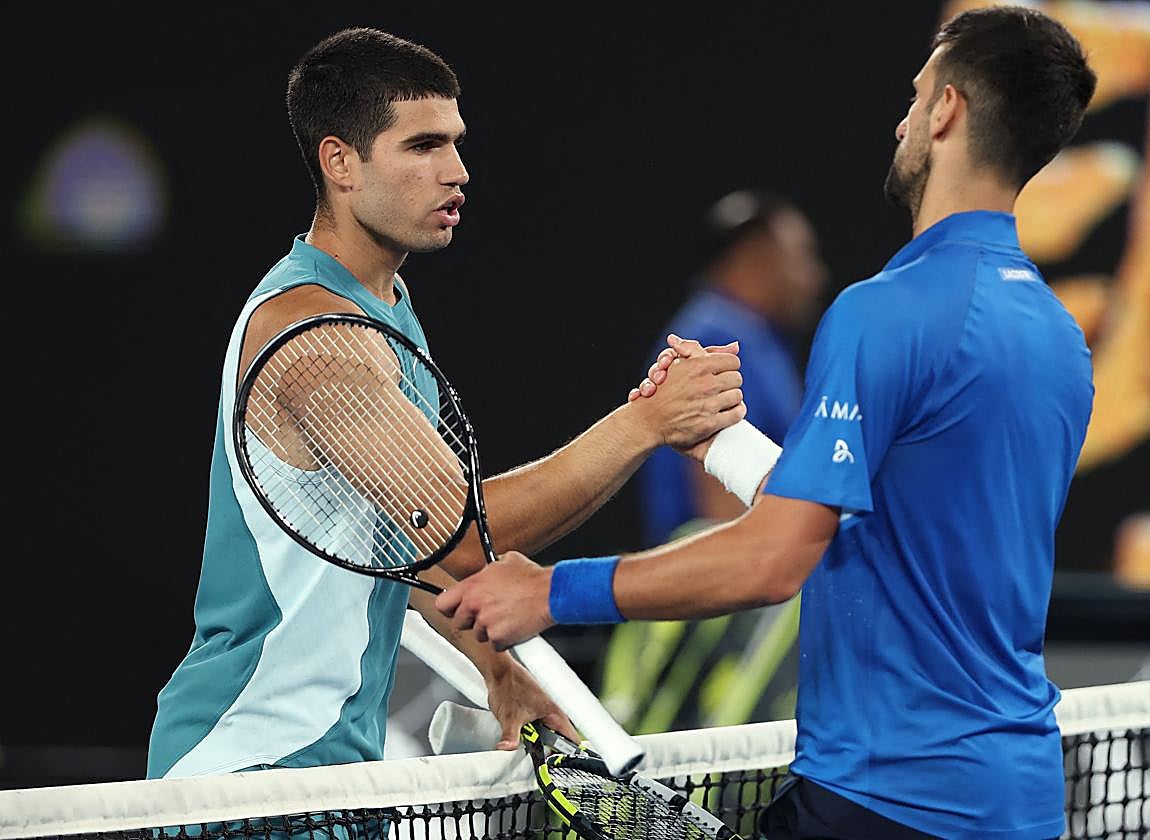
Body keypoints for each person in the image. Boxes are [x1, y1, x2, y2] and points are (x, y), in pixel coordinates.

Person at [436, 7, 1097, 838]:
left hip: (885, 804)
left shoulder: (884, 313)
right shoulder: (1059, 337)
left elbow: (776, 559)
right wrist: (722, 444)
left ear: (947, 111)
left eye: (916, 94)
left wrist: (549, 591)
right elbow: (901, 535)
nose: (901, 120)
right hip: (1020, 804)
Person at [146, 27, 745, 780]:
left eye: (457, 143)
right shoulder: (313, 336)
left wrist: (498, 669)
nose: (458, 171)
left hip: (331, 769)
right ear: (341, 163)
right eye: (423, 146)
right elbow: (460, 536)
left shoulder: (383, 308)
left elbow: (406, 554)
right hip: (247, 775)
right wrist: (646, 423)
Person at [638, 190, 827, 546]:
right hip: (724, 575)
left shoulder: (755, 337)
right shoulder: (714, 337)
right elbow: (720, 498)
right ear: (754, 258)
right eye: (801, 257)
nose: (814, 276)